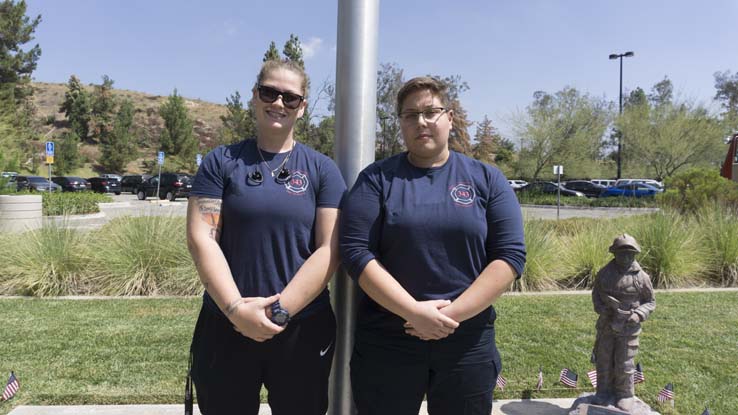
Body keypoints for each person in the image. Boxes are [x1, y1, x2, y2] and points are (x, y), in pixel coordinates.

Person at [340, 76, 526, 415]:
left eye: (431, 112)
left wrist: (450, 317)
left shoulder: (487, 180)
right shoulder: (376, 179)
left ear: (450, 118)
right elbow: (356, 252)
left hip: (466, 342)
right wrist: (413, 312)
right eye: (410, 115)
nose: (421, 122)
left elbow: (509, 256)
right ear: (400, 123)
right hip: (389, 340)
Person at [186, 59, 346, 415]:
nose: (278, 103)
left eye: (290, 98)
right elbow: (202, 238)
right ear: (254, 96)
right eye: (269, 92)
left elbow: (329, 249)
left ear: (302, 107)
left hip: (302, 328)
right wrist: (235, 310)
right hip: (225, 324)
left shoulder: (322, 170)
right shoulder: (221, 162)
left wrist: (280, 310)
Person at [591, 234, 655, 412]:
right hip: (607, 324)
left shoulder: (641, 278)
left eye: (630, 254)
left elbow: (650, 302)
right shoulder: (604, 274)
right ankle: (602, 392)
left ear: (635, 255)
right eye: (622, 254)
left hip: (629, 327)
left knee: (625, 362)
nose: (626, 258)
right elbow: (596, 295)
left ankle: (625, 394)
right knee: (603, 359)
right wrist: (601, 308)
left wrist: (638, 314)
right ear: (614, 254)